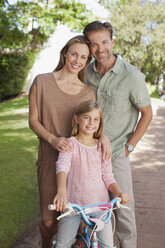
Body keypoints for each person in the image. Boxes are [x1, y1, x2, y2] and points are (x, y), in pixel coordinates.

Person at [29, 35, 112, 248]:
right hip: (49, 157)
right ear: (65, 52)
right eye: (74, 53)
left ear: (87, 61)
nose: (77, 60)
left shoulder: (87, 91)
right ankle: (47, 242)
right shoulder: (42, 81)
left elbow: (92, 122)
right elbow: (33, 121)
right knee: (49, 222)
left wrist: (104, 137)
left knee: (79, 221)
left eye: (83, 57)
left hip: (79, 163)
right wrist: (53, 140)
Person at [83, 21, 153, 248]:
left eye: (104, 42)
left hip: (117, 154)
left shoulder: (131, 76)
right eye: (94, 44)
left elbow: (147, 113)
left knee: (122, 210)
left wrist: (129, 147)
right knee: (96, 211)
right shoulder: (86, 73)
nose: (100, 48)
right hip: (90, 154)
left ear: (112, 42)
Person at [53, 100, 129, 248]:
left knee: (107, 244)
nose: (91, 122)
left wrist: (118, 192)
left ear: (99, 123)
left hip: (99, 205)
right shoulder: (70, 144)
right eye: (86, 117)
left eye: (96, 119)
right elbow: (62, 166)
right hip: (73, 205)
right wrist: (61, 191)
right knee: (62, 244)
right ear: (77, 118)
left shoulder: (102, 147)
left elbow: (107, 176)